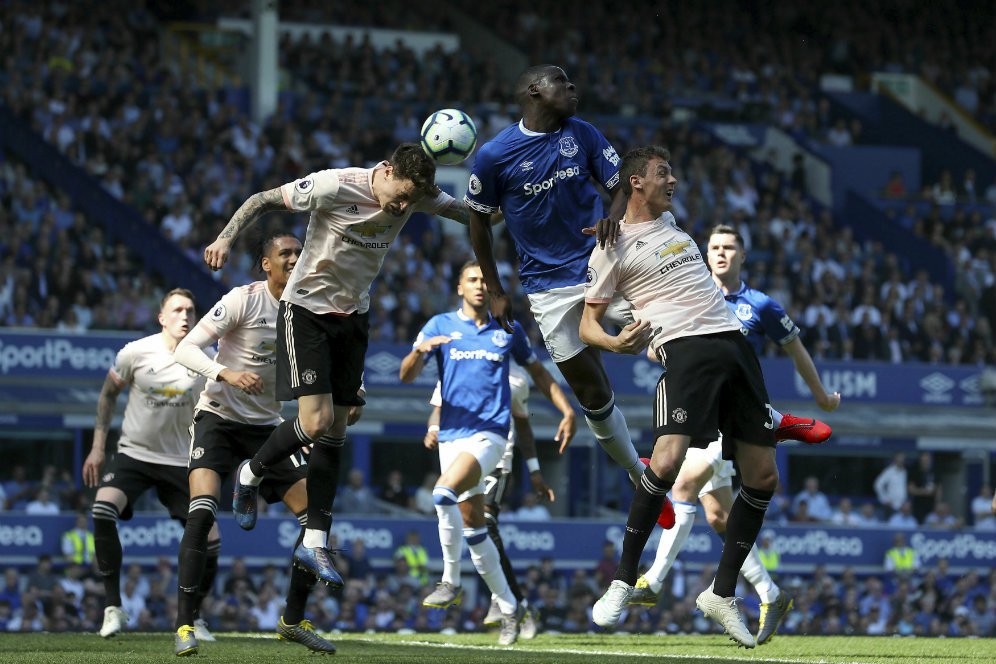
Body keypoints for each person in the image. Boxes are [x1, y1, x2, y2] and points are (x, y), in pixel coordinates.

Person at [203, 143, 478, 587]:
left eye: (412, 201)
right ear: (385, 170)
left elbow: (472, 215)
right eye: (401, 195)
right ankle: (251, 471)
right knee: (315, 421)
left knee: (338, 427)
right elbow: (261, 200)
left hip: (353, 318)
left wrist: (515, 197)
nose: (403, 207)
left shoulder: (418, 195)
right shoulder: (335, 184)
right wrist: (224, 237)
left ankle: (316, 540)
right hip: (307, 312)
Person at [582, 146, 778, 648]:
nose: (674, 179)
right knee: (666, 462)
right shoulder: (610, 247)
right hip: (686, 352)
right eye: (663, 172)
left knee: (762, 477)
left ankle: (724, 592)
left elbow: (627, 204)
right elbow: (588, 325)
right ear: (636, 183)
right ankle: (623, 582)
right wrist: (615, 342)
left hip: (735, 347)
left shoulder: (673, 225)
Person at [625, 223, 840, 645]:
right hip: (700, 412)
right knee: (719, 517)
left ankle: (653, 580)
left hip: (736, 419)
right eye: (715, 247)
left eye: (730, 247)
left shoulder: (760, 306)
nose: (721, 254)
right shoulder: (689, 294)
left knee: (683, 485)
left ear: (743, 255)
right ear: (705, 255)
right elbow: (653, 347)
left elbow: (796, 350)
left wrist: (821, 396)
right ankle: (771, 594)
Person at [466, 65, 660, 506]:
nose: (573, 88)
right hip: (546, 287)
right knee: (592, 391)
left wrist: (613, 214)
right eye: (563, 83)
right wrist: (496, 290)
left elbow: (619, 186)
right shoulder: (496, 155)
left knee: (667, 330)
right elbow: (477, 222)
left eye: (574, 82)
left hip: (601, 264)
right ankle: (638, 473)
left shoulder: (583, 134)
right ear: (535, 90)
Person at [171, 230, 339, 655]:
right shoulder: (243, 299)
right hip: (219, 420)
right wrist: (225, 374)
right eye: (285, 252)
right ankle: (185, 626)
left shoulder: (312, 303)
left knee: (316, 521)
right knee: (202, 513)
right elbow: (185, 350)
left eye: (299, 252)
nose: (294, 257)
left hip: (267, 428)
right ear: (266, 263)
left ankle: (291, 619)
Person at [399, 261, 539, 646]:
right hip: (453, 440)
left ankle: (450, 580)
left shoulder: (508, 342)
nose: (481, 287)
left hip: (494, 444)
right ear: (460, 287)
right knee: (477, 531)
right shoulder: (445, 331)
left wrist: (535, 465)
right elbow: (415, 382)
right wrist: (420, 353)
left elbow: (525, 417)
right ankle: (510, 607)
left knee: (444, 495)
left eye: (487, 283)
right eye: (473, 280)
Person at [82, 288, 215, 639]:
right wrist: (97, 448)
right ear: (162, 317)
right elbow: (108, 395)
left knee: (213, 540)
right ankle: (113, 609)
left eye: (190, 309)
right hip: (134, 455)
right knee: (101, 509)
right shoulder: (135, 353)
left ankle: (194, 618)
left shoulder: (206, 357)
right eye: (177, 310)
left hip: (181, 461)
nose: (185, 316)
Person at [422, 359, 575, 640]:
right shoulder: (457, 361)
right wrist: (433, 429)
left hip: (498, 462)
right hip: (458, 458)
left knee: (487, 525)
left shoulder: (516, 378)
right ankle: (515, 605)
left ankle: (493, 598)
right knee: (474, 530)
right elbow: (437, 411)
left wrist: (535, 471)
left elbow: (524, 426)